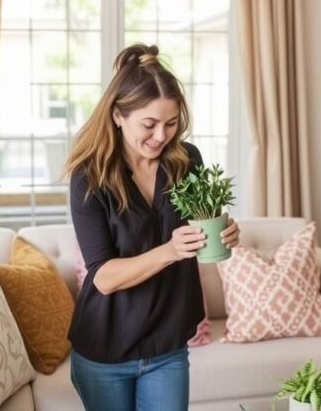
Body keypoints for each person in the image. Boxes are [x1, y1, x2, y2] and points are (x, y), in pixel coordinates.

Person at [63, 43, 240, 411]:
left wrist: (224, 230)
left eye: (171, 123)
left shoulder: (186, 160)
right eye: (149, 124)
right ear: (117, 115)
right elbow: (104, 277)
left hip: (167, 345)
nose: (161, 136)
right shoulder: (89, 177)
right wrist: (170, 251)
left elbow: (203, 220)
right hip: (104, 351)